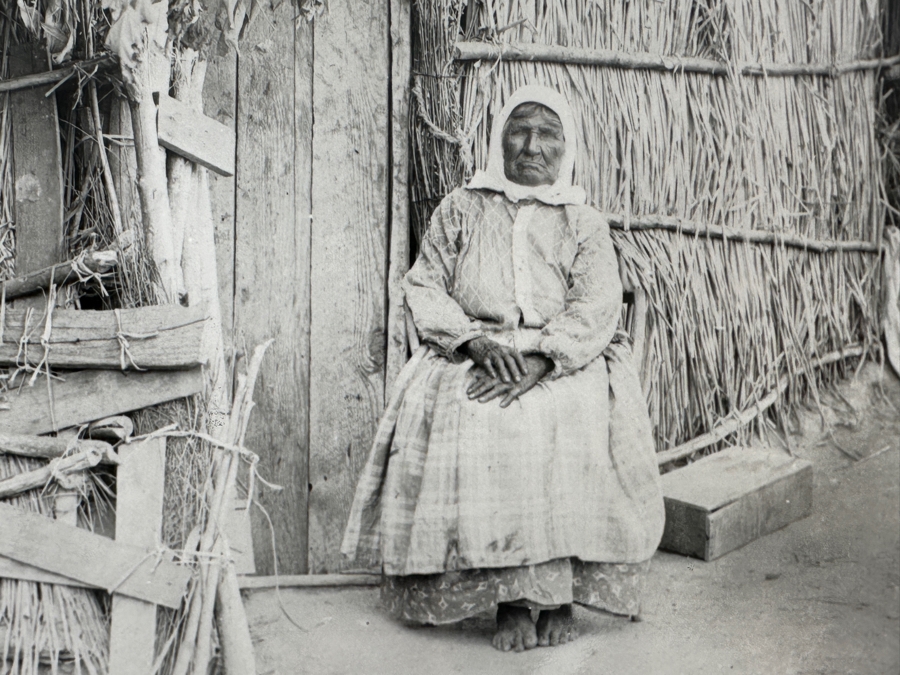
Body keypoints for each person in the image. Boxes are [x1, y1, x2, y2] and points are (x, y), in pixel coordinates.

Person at [341, 84, 665, 652]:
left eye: (548, 134)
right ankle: (511, 601)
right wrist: (472, 344)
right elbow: (424, 286)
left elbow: (596, 304)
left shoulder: (582, 220)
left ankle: (559, 596)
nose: (533, 146)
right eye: (520, 130)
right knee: (470, 412)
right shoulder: (461, 207)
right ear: (498, 140)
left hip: (564, 354)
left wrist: (543, 360)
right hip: (476, 348)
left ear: (567, 146)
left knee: (569, 413)